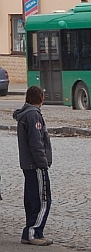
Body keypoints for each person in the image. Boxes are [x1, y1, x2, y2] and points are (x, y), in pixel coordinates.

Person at [13, 86, 53, 246]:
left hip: (27, 164)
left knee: (31, 198)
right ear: (41, 98)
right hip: (36, 165)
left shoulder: (24, 114)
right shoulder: (33, 116)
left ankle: (30, 231)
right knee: (42, 200)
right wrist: (43, 163)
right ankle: (33, 232)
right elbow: (36, 143)